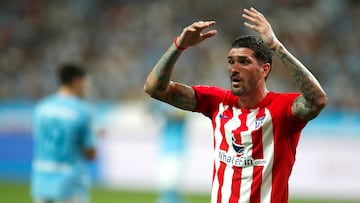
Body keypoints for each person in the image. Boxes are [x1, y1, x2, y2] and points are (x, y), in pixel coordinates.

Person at [144, 7, 327, 203]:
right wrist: (179, 45)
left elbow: (317, 100)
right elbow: (154, 89)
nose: (234, 69)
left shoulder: (283, 108)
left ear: (264, 69)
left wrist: (275, 46)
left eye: (243, 62)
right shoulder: (216, 102)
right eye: (231, 61)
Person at [31, 64, 96, 203]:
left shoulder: (41, 107)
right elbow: (90, 153)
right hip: (68, 184)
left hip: (41, 181)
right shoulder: (82, 111)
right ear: (77, 81)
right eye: (85, 83)